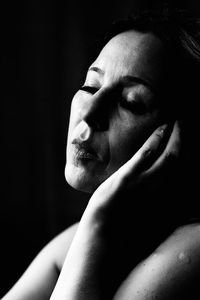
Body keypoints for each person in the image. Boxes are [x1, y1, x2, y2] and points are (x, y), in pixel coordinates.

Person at [2, 7, 200, 300]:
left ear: (177, 138)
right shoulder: (75, 243)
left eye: (131, 102)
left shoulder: (191, 250)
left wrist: (95, 219)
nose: (91, 113)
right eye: (90, 86)